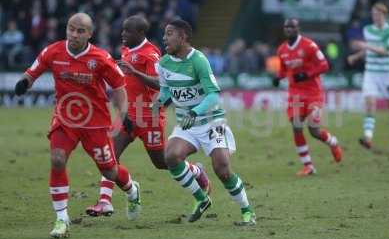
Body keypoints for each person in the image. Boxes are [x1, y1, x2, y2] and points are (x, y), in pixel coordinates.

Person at [14, 13, 141, 239]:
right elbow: (33, 71)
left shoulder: (100, 58)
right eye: (71, 29)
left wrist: (123, 114)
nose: (74, 34)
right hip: (66, 119)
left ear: (89, 34)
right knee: (57, 159)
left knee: (109, 170)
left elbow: (119, 86)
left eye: (80, 31)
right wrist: (24, 83)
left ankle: (132, 189)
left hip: (96, 122)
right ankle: (62, 219)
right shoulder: (53, 51)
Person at [85, 15, 210, 217]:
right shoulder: (126, 50)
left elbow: (161, 84)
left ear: (140, 33)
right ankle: (110, 200)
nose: (123, 34)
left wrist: (135, 72)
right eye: (123, 30)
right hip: (129, 115)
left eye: (128, 31)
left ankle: (195, 171)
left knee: (161, 162)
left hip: (149, 116)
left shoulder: (150, 53)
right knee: (108, 157)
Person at [154, 19, 256, 225]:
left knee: (222, 169)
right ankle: (201, 199)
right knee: (171, 157)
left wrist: (195, 111)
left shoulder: (199, 60)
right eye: (164, 34)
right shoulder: (163, 63)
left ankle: (247, 211)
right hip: (187, 124)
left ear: (183, 37)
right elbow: (166, 90)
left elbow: (213, 95)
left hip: (211, 122)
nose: (165, 38)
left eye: (170, 33)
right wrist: (159, 103)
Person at [274, 18, 343, 176]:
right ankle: (308, 166)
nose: (289, 29)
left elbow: (324, 65)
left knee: (314, 130)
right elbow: (284, 70)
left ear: (298, 28)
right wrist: (278, 78)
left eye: (292, 27)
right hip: (295, 95)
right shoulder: (282, 50)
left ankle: (333, 142)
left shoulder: (309, 46)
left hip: (313, 94)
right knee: (297, 127)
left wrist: (307, 74)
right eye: (286, 27)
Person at [347, 3, 389, 150]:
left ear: (384, 15)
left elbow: (384, 51)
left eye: (377, 14)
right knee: (370, 104)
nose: (374, 17)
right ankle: (368, 138)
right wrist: (356, 56)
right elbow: (369, 49)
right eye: (373, 14)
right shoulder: (367, 30)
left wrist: (365, 46)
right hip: (370, 72)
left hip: (386, 74)